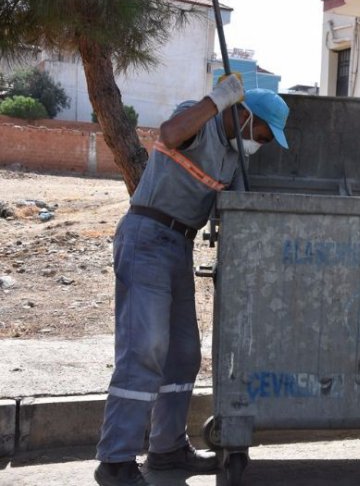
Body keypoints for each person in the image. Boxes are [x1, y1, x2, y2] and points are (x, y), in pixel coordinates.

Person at [94, 75, 290, 486]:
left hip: (179, 247)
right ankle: (115, 461)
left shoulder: (235, 159)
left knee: (183, 354)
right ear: (243, 113)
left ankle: (166, 450)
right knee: (145, 349)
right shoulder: (195, 120)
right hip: (146, 238)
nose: (262, 143)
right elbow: (168, 134)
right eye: (263, 134)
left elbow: (240, 209)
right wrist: (215, 100)